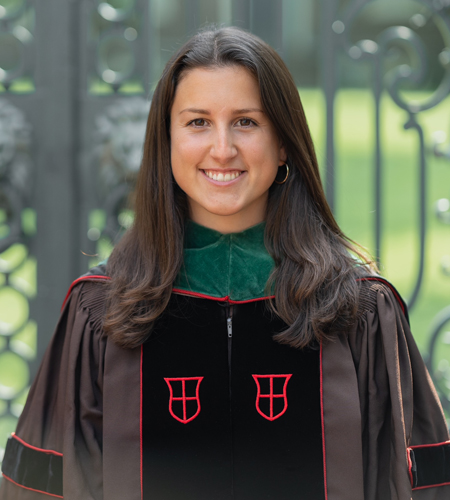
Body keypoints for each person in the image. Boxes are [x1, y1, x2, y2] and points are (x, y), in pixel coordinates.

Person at [1, 26, 449, 500]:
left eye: (246, 122)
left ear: (283, 145)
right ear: (166, 142)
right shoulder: (101, 311)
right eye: (197, 122)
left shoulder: (357, 310)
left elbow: (416, 486)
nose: (222, 149)